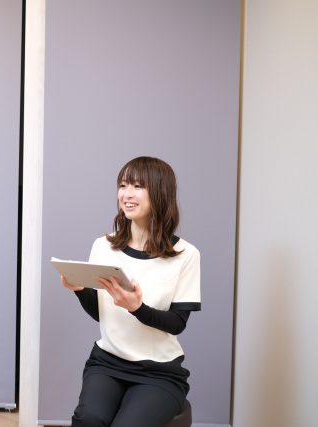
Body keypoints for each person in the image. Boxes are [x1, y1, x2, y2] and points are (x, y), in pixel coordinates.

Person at [62, 156, 201, 427]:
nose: (126, 194)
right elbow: (102, 314)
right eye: (123, 185)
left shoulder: (186, 255)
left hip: (159, 373)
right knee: (88, 420)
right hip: (107, 363)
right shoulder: (103, 246)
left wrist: (138, 308)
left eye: (137, 186)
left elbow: (177, 323)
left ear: (159, 193)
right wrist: (80, 290)